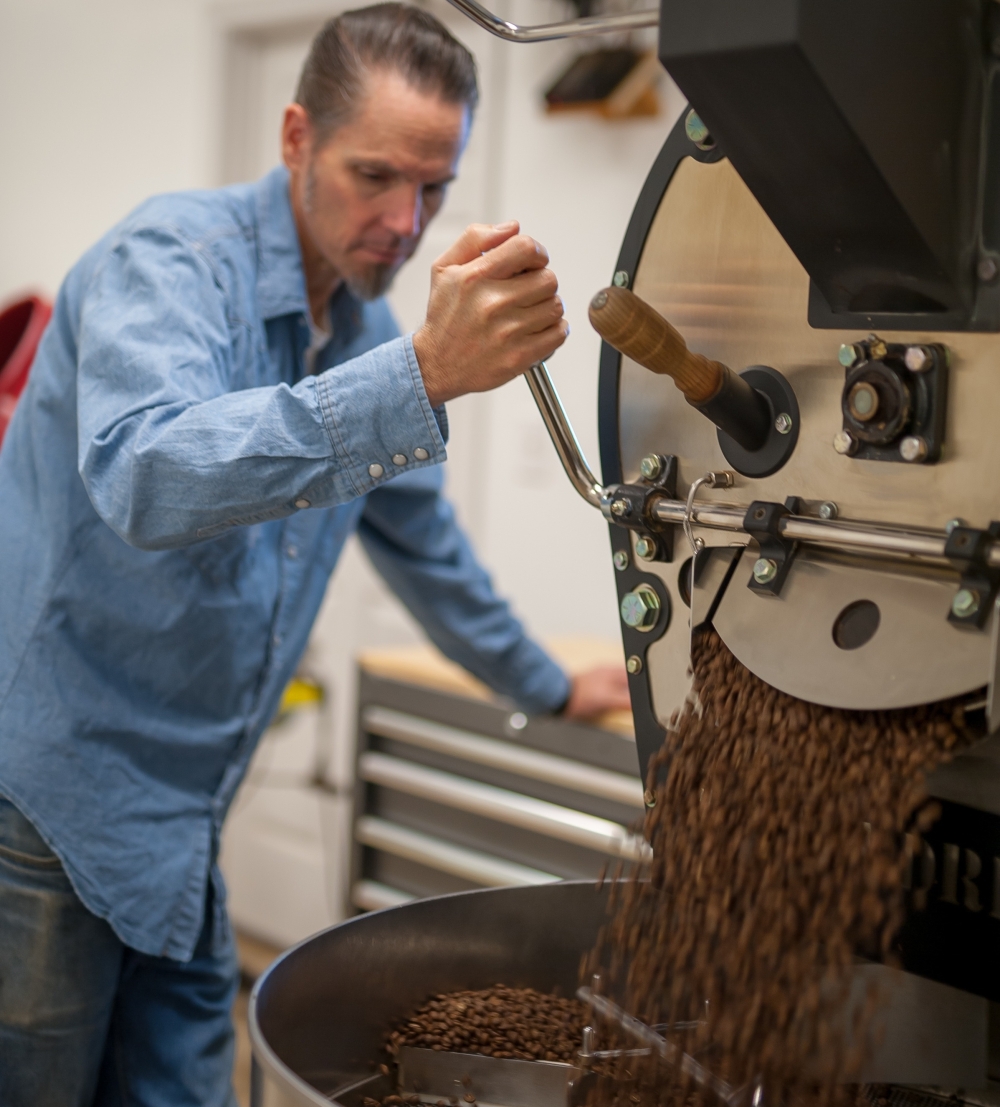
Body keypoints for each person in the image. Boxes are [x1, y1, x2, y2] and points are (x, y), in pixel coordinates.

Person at [0, 5, 631, 1105]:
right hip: (47, 807)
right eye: (374, 175)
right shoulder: (172, 260)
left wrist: (543, 683)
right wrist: (425, 378)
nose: (403, 221)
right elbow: (145, 475)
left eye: (433, 189)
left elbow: (422, 544)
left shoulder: (366, 336)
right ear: (296, 138)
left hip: (182, 825)